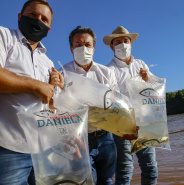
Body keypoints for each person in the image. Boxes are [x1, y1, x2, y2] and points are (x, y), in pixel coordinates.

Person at [0, 1, 63, 184]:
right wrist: (36, 85)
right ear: (20, 17)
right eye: (33, 15)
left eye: (44, 19)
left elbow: (50, 105)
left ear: (49, 28)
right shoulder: (4, 36)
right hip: (9, 149)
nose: (38, 21)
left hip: (44, 149)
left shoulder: (47, 61)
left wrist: (56, 90)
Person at [59, 26, 117, 185]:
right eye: (78, 45)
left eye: (87, 44)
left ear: (94, 48)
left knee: (107, 180)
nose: (82, 48)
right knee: (86, 181)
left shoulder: (106, 73)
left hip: (107, 138)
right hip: (79, 139)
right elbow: (57, 110)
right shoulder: (62, 74)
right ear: (71, 48)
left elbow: (114, 103)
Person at [103, 26, 158, 185]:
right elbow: (112, 102)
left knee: (150, 167)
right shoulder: (108, 70)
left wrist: (149, 79)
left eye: (125, 41)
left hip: (144, 122)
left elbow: (154, 92)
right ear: (111, 46)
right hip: (122, 127)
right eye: (118, 42)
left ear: (131, 43)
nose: (122, 44)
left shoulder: (141, 64)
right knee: (125, 170)